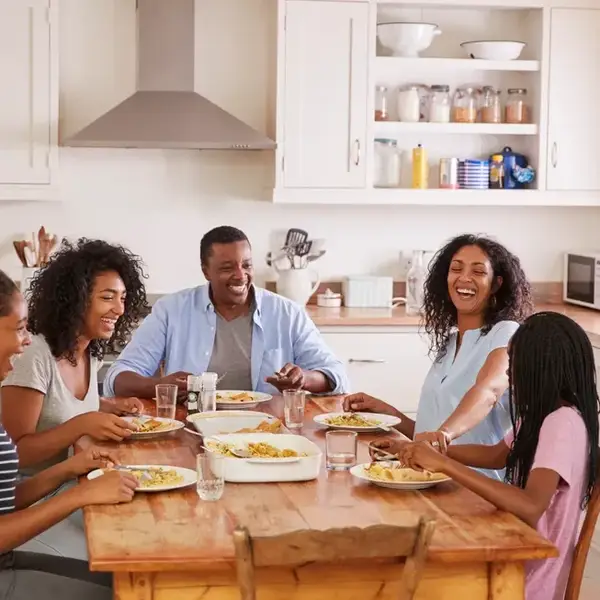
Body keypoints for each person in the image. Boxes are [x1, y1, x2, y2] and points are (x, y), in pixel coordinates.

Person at [391, 312, 599, 600]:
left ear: (540, 368)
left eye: (515, 364)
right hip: (515, 559)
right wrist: (432, 450)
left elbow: (530, 506)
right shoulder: (543, 414)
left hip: (526, 581)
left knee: (412, 580)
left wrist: (444, 464)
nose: (510, 374)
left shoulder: (562, 423)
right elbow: (497, 455)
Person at [345, 234, 533, 479]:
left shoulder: (506, 333)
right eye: (456, 269)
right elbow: (431, 436)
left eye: (478, 272)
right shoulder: (451, 343)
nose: (464, 278)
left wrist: (443, 434)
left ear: (496, 284)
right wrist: (387, 413)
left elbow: (489, 392)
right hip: (435, 479)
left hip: (478, 488)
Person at [0, 268, 139, 600]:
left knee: (125, 579)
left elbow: (4, 502)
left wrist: (69, 469)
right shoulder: (37, 356)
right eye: (19, 328)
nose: (27, 339)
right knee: (126, 590)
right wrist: (79, 495)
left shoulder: (89, 352)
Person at [104, 226, 349, 400]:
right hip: (192, 428)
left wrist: (303, 378)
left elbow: (337, 376)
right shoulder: (171, 310)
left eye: (246, 265)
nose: (241, 275)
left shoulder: (287, 313)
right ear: (205, 271)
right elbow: (117, 378)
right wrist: (159, 386)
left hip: (270, 431)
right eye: (227, 268)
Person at [1, 239, 149, 474]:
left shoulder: (90, 351)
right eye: (108, 297)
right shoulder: (33, 355)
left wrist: (109, 406)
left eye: (122, 298)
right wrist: (82, 425)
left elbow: (56, 406)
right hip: (30, 497)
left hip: (77, 479)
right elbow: (13, 455)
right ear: (75, 299)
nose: (120, 309)